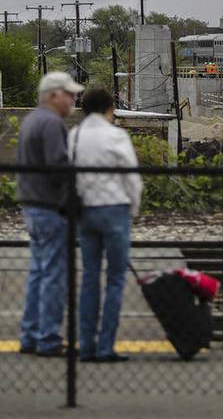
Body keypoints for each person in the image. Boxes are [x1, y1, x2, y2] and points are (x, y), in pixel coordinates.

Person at [69, 88, 143, 363]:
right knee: (115, 279)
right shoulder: (116, 135)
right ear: (109, 109)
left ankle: (86, 345)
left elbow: (70, 175)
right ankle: (105, 347)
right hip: (114, 210)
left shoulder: (74, 136)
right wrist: (133, 209)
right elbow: (131, 178)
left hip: (85, 212)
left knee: (89, 277)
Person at [17, 72, 84, 356]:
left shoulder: (32, 120)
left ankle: (30, 335)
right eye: (69, 94)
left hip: (32, 204)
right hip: (50, 206)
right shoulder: (51, 124)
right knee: (54, 275)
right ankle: (48, 339)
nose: (73, 99)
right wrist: (76, 192)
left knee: (38, 273)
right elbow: (59, 166)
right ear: (54, 94)